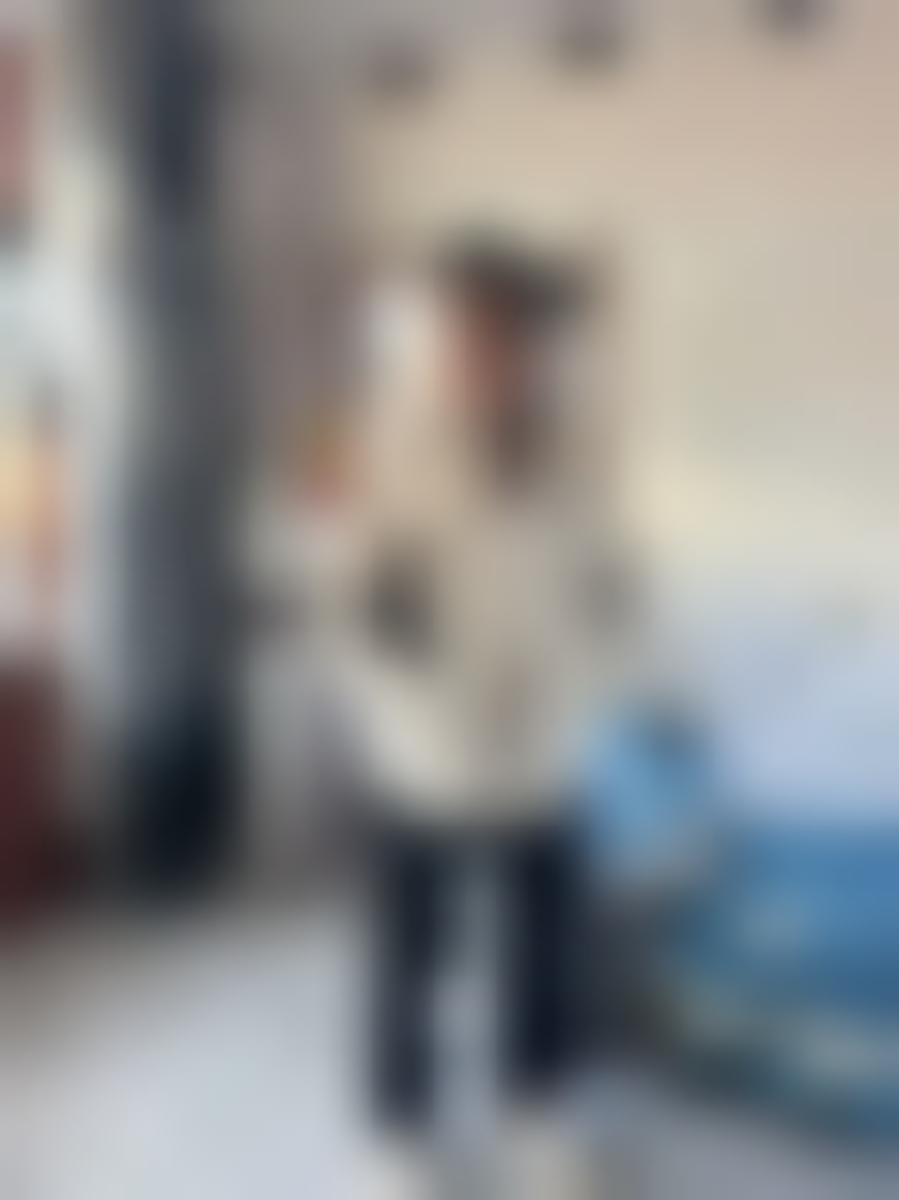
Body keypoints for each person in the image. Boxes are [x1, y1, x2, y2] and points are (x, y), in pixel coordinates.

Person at [326, 234, 638, 1197]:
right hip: (422, 744)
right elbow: (355, 590)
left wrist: (597, 676)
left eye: (504, 338)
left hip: (541, 744)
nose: (484, 359)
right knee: (407, 956)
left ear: (534, 347)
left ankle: (536, 1113)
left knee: (545, 952)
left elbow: (608, 581)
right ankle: (400, 1130)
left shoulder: (578, 444)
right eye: (464, 337)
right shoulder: (392, 440)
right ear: (439, 341)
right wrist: (398, 668)